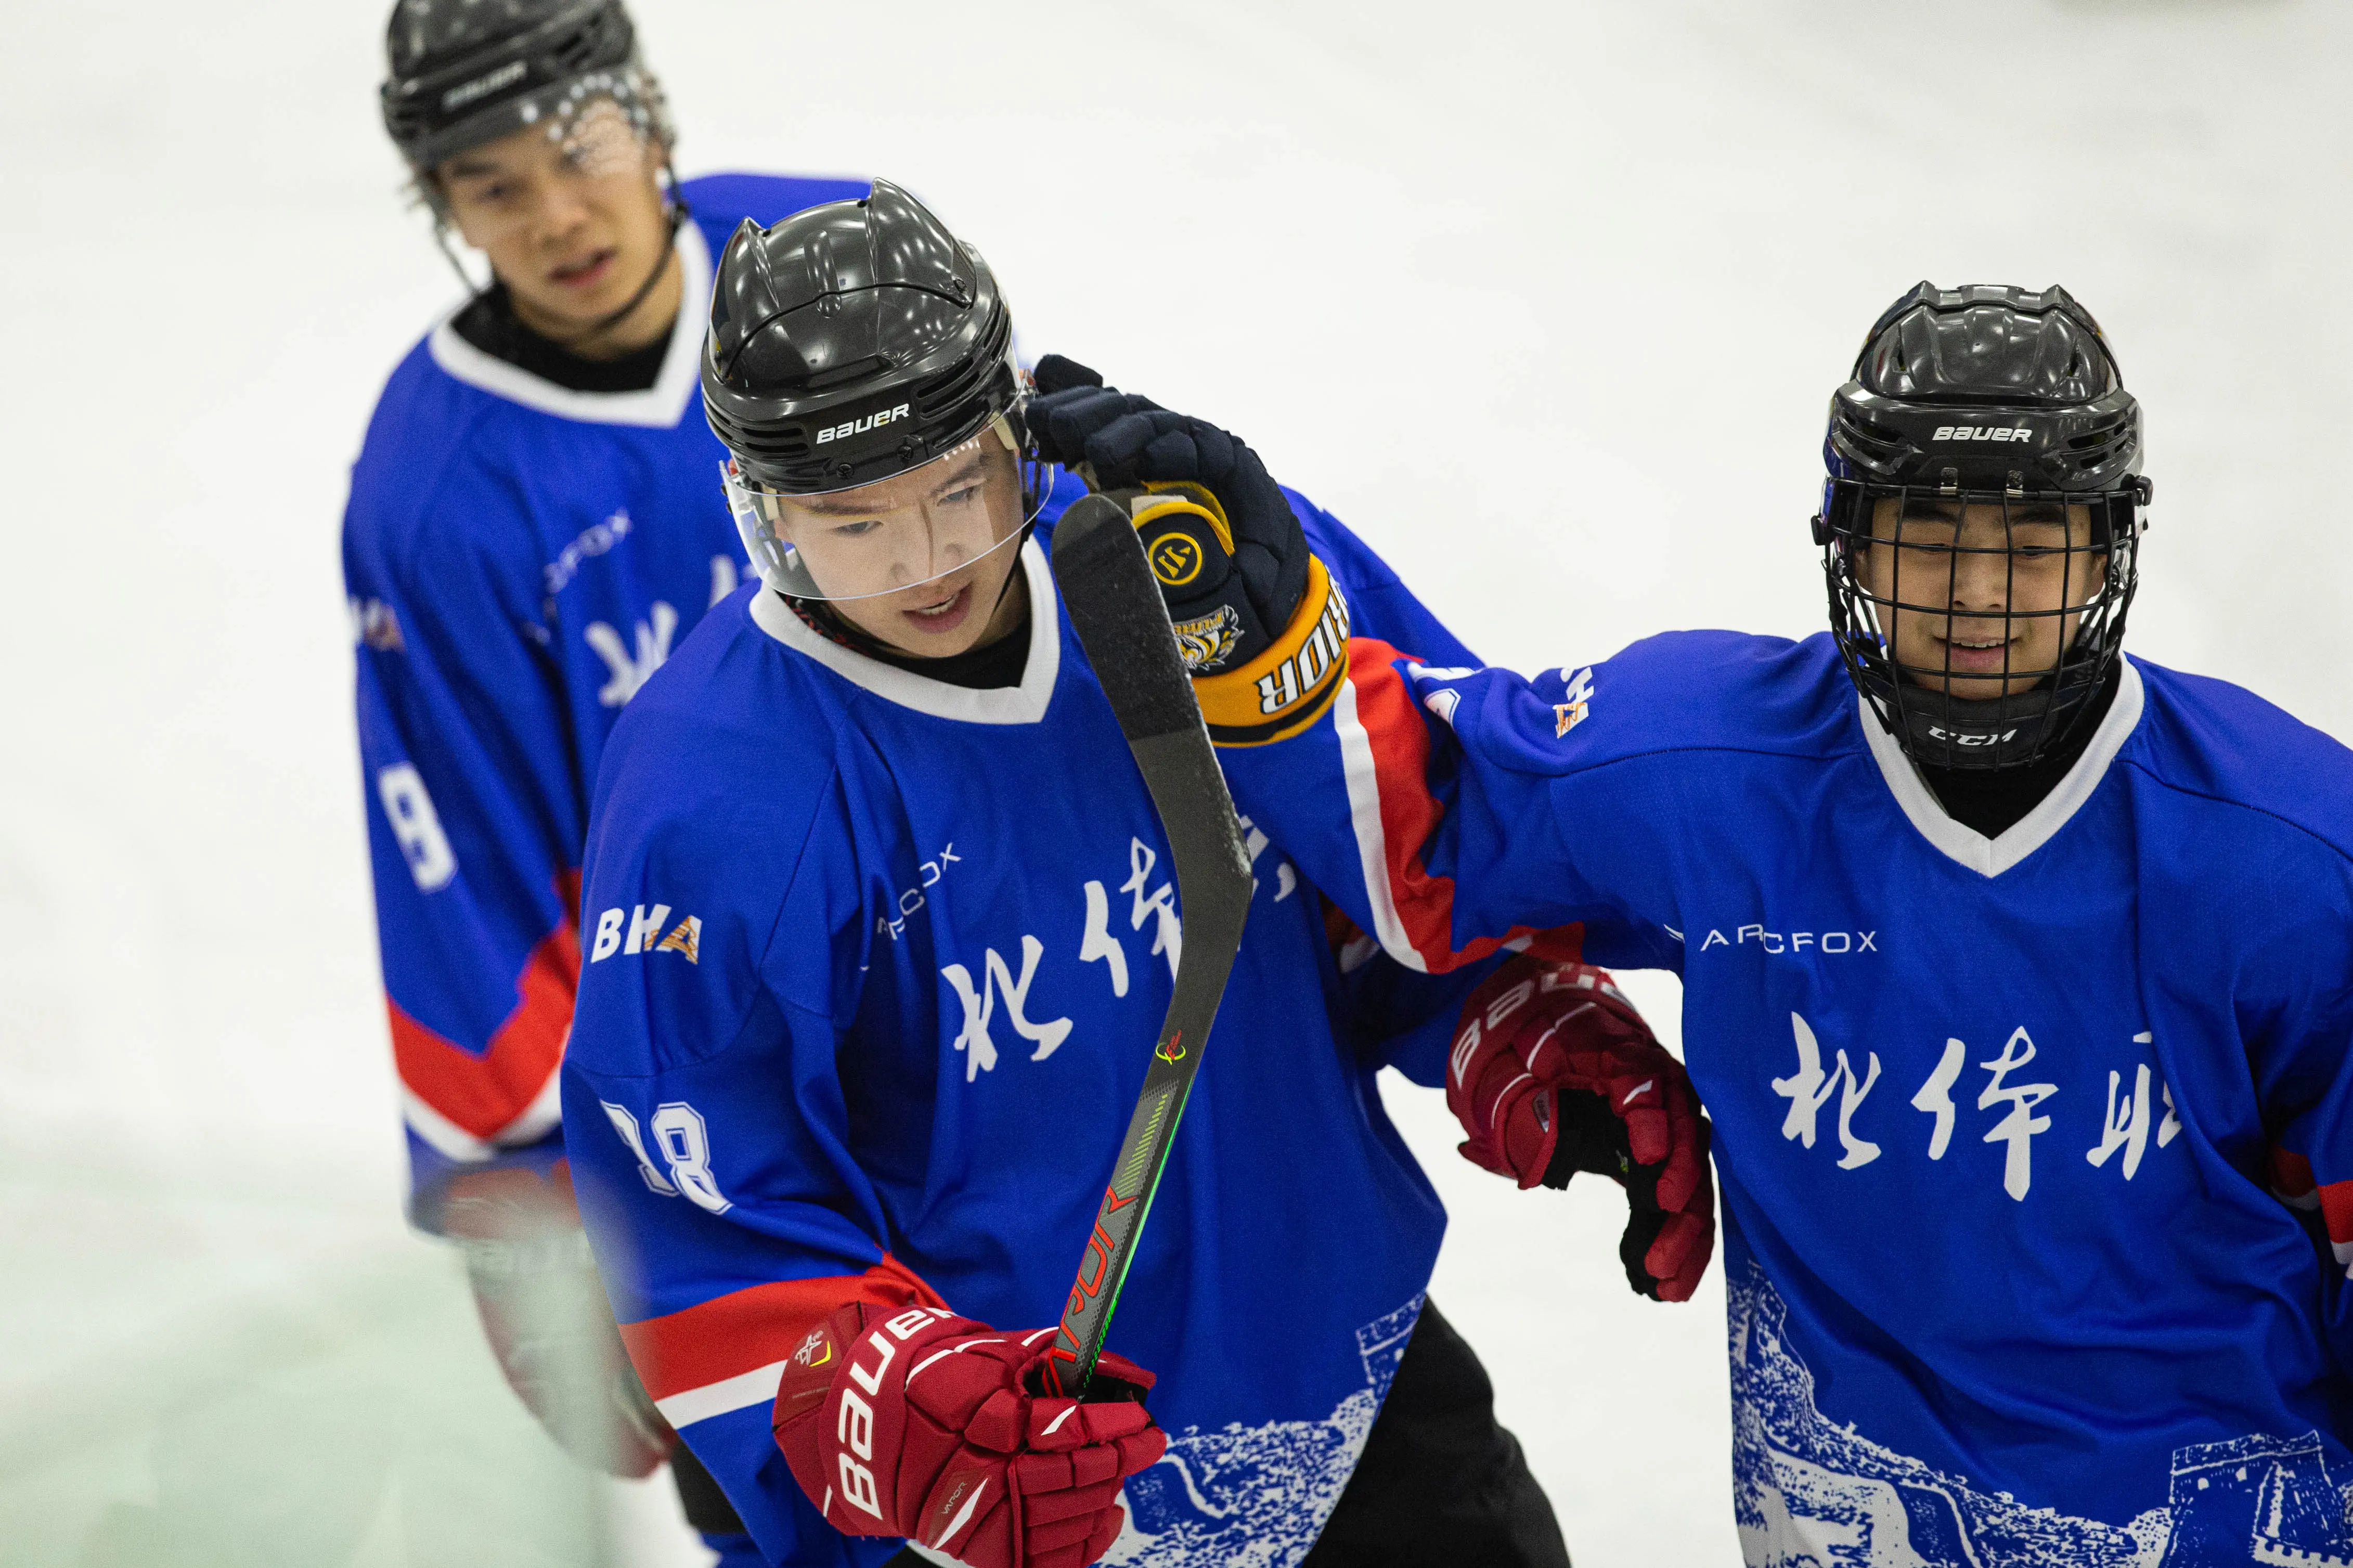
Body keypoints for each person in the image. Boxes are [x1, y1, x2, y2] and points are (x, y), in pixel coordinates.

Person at [1082, 279, 2353, 1563]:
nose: (1977, 593)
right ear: (1846, 542)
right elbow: (1429, 827)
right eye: (1925, 533)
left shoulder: (2291, 858)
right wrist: (1251, 626)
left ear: (2109, 549)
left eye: (2031, 545)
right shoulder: (1715, 771)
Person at [561, 181, 1711, 1568]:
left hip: (1342, 1393)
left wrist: (1509, 1014)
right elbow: (695, 1198)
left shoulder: (1191, 575)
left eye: (957, 487)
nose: (926, 561)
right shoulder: (716, 787)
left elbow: (1393, 839)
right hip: (1021, 1481)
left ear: (1016, 429)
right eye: (855, 521)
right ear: (766, 511)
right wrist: (890, 1397)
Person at [344, 0, 864, 1551]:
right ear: (442, 208)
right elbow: (461, 853)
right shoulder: (436, 493)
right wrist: (515, 1203)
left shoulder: (830, 264)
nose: (556, 214)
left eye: (576, 147)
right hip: (710, 1064)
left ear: (646, 112)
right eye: (492, 184)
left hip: (977, 957)